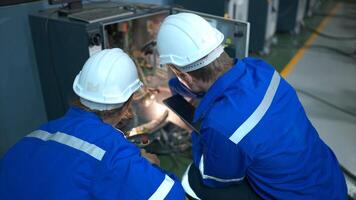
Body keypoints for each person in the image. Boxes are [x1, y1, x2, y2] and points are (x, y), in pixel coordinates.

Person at [156, 13, 347, 200]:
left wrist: (201, 132)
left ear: (185, 76)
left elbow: (216, 179)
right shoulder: (261, 68)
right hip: (331, 182)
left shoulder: (220, 126)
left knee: (193, 179)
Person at [0, 48, 185, 200]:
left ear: (80, 94)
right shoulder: (114, 153)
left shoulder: (36, 135)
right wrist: (148, 167)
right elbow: (172, 196)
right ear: (128, 104)